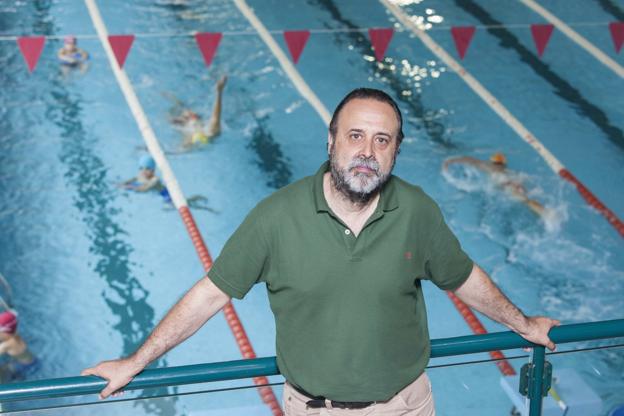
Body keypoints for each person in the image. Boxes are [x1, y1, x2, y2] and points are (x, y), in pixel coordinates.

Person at [83, 88, 559, 414]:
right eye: (355, 136)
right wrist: (135, 361)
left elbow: (463, 277)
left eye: (382, 140)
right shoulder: (276, 217)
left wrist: (524, 324)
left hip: (407, 405)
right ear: (331, 140)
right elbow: (210, 295)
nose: (367, 151)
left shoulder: (416, 210)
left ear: (395, 152)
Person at [443, 153, 547, 217]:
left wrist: (450, 161)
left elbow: (471, 160)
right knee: (526, 199)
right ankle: (542, 212)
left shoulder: (489, 168)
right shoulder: (508, 171)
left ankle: (544, 213)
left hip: (507, 186)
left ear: (492, 162)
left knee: (525, 201)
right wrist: (451, 161)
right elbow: (470, 160)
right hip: (512, 183)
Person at [121, 155, 215, 212]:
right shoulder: (140, 175)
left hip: (168, 196)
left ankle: (205, 207)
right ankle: (196, 198)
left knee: (186, 204)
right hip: (160, 195)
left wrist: (129, 187)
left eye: (147, 168)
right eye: (142, 168)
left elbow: (144, 189)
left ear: (153, 170)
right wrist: (122, 184)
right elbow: (132, 180)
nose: (144, 171)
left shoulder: (155, 179)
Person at [166, 75, 227, 151]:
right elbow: (216, 117)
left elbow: (216, 117)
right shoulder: (208, 131)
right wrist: (219, 92)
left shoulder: (204, 132)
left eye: (184, 117)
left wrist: (219, 92)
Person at [0, 307, 37, 382]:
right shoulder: (15, 335)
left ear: (5, 332)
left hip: (23, 366)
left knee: (3, 371)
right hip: (33, 361)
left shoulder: (7, 344)